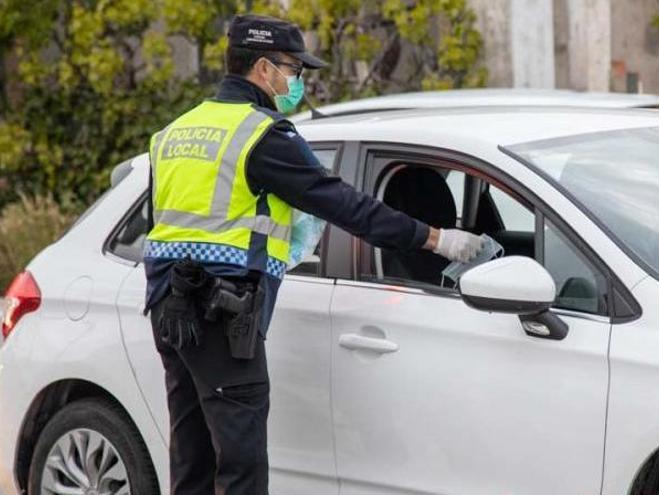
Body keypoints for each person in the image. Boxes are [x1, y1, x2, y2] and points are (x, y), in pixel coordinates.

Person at [143, 13, 483, 495]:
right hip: (221, 313)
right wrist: (436, 240)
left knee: (193, 457)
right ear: (263, 68)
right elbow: (346, 205)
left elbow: (167, 221)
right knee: (240, 464)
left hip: (169, 307)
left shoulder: (175, 132)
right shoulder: (260, 135)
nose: (298, 80)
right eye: (294, 69)